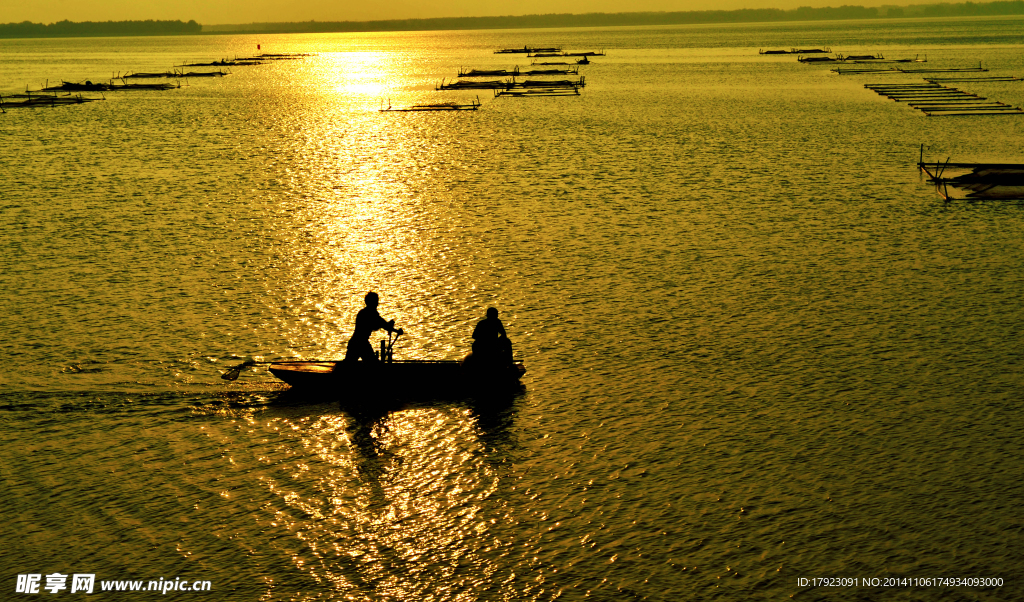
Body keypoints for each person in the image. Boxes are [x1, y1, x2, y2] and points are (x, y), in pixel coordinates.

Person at [344, 292, 403, 363]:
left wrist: (389, 327)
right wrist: (396, 330)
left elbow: (380, 324)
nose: (377, 304)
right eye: (376, 301)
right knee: (373, 364)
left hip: (356, 343)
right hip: (361, 344)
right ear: (372, 302)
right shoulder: (371, 314)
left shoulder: (363, 313)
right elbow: (382, 324)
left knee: (348, 364)